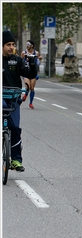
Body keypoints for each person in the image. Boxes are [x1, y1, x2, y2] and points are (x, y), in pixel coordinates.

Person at [2, 31, 38, 172]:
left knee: (15, 129)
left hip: (13, 100)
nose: (11, 47)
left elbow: (29, 74)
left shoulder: (16, 60)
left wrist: (32, 63)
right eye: (8, 45)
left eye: (13, 45)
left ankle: (16, 160)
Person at [20, 40, 42, 109]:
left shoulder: (36, 53)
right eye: (26, 44)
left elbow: (38, 63)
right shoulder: (24, 53)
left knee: (32, 88)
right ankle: (25, 95)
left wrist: (40, 59)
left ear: (32, 45)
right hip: (26, 72)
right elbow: (20, 62)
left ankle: (31, 103)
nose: (27, 45)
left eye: (28, 44)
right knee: (27, 86)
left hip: (33, 72)